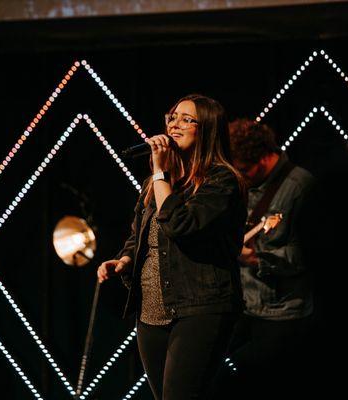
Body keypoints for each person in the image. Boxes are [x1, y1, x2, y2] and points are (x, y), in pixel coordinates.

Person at [97, 94, 247, 400]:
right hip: (151, 311)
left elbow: (180, 225)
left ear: (207, 130)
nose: (174, 124)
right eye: (173, 117)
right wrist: (124, 260)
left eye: (186, 119)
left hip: (199, 308)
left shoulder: (221, 182)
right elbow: (140, 235)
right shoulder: (156, 183)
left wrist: (160, 171)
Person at [212, 118, 314, 396]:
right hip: (242, 304)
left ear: (265, 157)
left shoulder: (301, 187)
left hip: (281, 314)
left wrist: (255, 258)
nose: (240, 177)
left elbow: (310, 255)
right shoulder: (239, 183)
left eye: (243, 170)